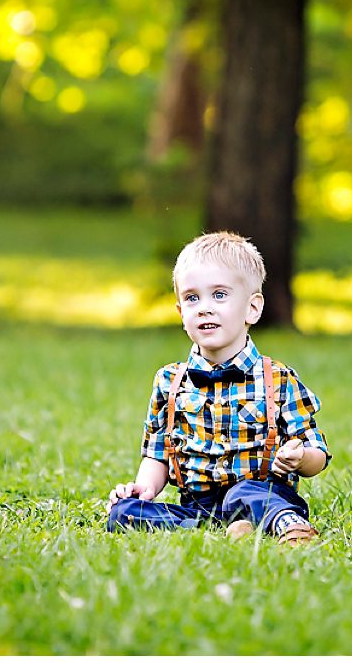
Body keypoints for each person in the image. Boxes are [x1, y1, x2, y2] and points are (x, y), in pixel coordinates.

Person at [105, 231, 329, 544]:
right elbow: (157, 454)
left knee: (246, 493)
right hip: (198, 505)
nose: (204, 308)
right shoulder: (170, 382)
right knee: (123, 514)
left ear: (252, 308)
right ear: (181, 313)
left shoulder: (276, 379)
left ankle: (286, 523)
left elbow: (317, 453)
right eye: (192, 298)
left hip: (260, 491)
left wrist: (300, 456)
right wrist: (145, 489)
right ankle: (233, 528)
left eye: (219, 295)